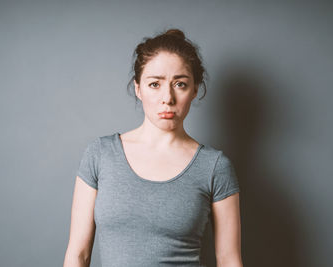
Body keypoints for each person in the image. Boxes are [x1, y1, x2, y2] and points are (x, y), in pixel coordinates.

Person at [63, 28, 243, 267]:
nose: (167, 98)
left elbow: (229, 259)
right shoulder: (100, 154)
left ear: (195, 90)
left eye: (180, 84)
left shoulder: (214, 166)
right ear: (138, 88)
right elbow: (78, 255)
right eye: (155, 84)